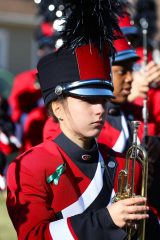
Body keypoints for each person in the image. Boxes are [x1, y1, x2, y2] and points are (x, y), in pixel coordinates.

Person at [6, 1, 149, 239]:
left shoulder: (127, 165)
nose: (99, 110)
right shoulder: (29, 168)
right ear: (57, 108)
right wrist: (106, 219)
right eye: (88, 101)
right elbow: (33, 235)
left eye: (103, 100)